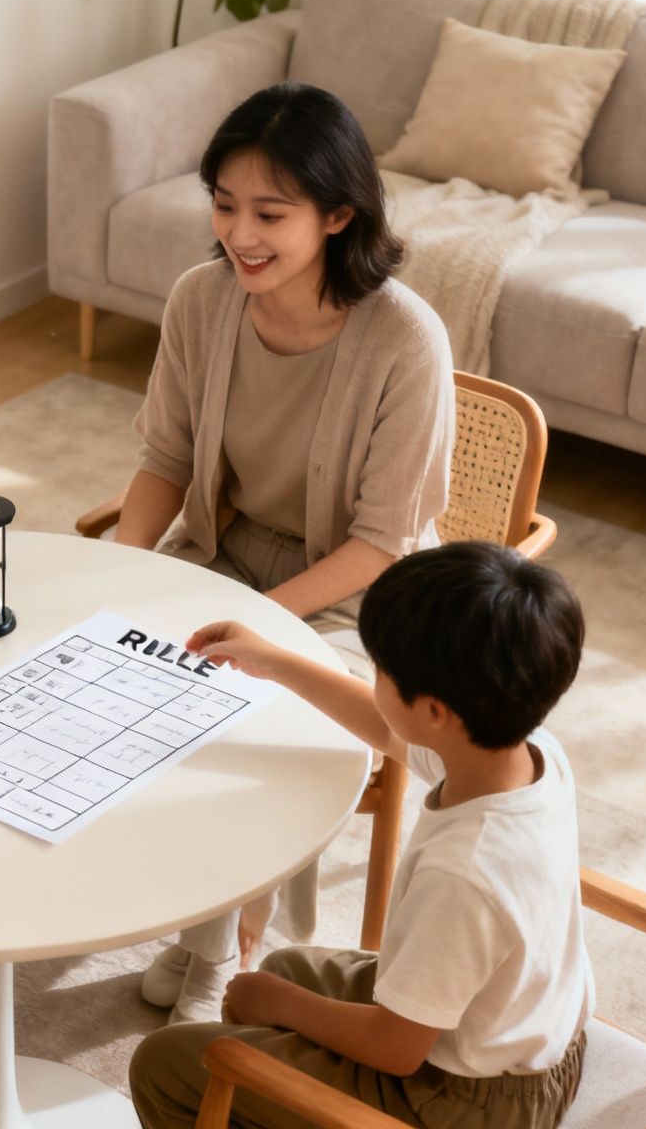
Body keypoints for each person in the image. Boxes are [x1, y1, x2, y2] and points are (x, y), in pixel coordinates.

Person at [115, 82, 456, 1022]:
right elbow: (166, 460)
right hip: (219, 553)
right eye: (224, 205)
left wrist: (263, 630)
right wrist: (127, 575)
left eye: (270, 212)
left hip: (358, 596)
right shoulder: (200, 299)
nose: (239, 234)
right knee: (118, 674)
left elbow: (384, 544)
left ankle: (223, 947)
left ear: (339, 213)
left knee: (240, 705)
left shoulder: (406, 340)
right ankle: (203, 927)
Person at [127, 543, 593, 1129]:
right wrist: (270, 659)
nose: (373, 680)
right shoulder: (520, 752)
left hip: (467, 1101)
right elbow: (386, 726)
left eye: (380, 671)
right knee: (282, 970)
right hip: (528, 1030)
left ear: (433, 711)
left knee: (167, 1061)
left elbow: (395, 1048)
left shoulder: (465, 872)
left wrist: (275, 1006)